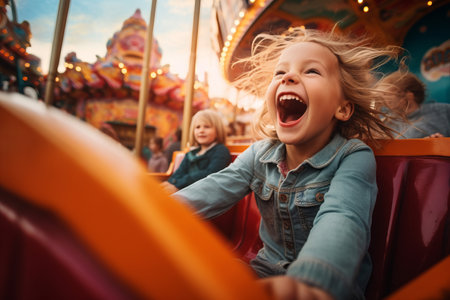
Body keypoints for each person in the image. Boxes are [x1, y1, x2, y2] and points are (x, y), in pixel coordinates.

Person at [172, 27, 400, 300]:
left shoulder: (352, 156)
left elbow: (343, 219)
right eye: (280, 73)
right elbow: (212, 190)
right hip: (263, 272)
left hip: (326, 286)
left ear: (343, 108)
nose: (288, 77)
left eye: (312, 71)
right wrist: (154, 210)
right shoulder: (259, 154)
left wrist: (311, 283)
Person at [161, 109, 231, 193]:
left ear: (218, 131)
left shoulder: (220, 151)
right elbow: (179, 173)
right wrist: (170, 183)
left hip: (205, 194)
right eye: (197, 127)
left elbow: (210, 174)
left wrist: (177, 185)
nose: (201, 131)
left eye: (207, 127)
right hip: (186, 191)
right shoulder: (191, 153)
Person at [380, 71, 450, 138]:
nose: (383, 98)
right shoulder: (387, 122)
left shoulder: (442, 111)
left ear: (409, 95)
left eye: (387, 94)